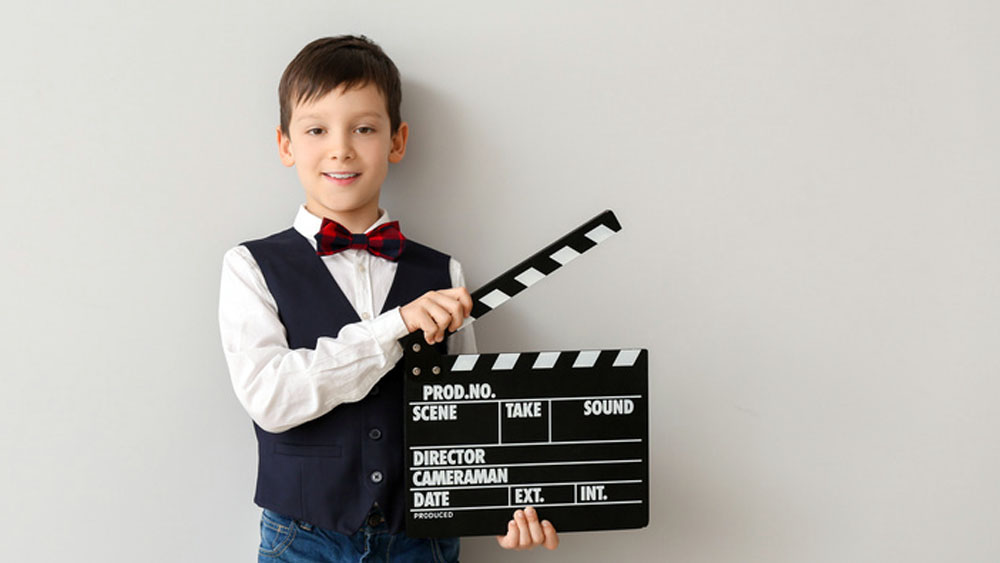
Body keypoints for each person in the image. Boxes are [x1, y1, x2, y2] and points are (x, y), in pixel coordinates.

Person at [218, 35, 559, 562]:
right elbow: (271, 399)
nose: (341, 149)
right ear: (286, 145)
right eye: (316, 130)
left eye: (364, 128)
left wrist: (501, 507)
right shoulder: (250, 266)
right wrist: (394, 325)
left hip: (423, 542)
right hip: (303, 541)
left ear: (397, 141)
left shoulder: (443, 273)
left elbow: (464, 416)